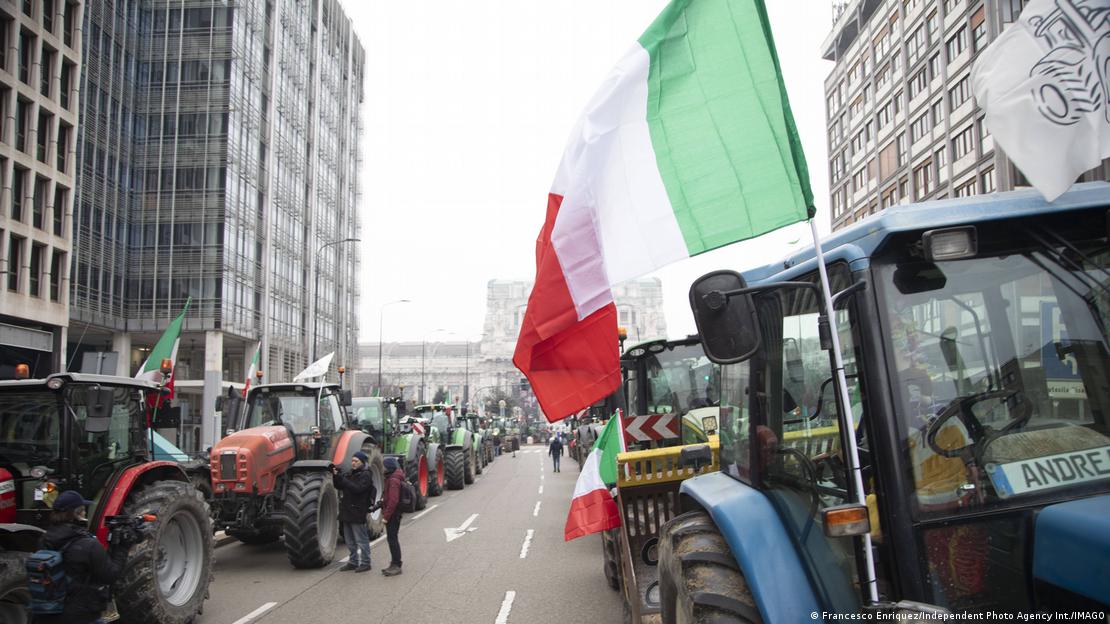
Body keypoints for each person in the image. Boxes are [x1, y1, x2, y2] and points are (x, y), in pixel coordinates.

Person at [38, 490, 137, 624]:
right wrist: (123, 548)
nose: (85, 514)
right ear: (77, 514)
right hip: (80, 615)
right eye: (83, 510)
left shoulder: (44, 539)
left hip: (48, 610)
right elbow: (110, 575)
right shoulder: (88, 545)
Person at [332, 451, 374, 572]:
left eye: (356, 461)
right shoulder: (351, 473)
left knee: (361, 539)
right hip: (347, 511)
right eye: (352, 461)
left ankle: (366, 562)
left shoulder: (366, 475)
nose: (353, 463)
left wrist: (343, 480)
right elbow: (340, 486)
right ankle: (353, 561)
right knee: (349, 540)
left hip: (357, 511)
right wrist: (336, 476)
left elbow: (357, 489)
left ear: (362, 462)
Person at [380, 457, 405, 577]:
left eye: (384, 466)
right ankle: (394, 563)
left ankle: (396, 565)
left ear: (389, 467)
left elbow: (393, 501)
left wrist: (386, 516)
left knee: (392, 539)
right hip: (393, 514)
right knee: (392, 539)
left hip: (393, 514)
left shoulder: (393, 480)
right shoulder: (391, 477)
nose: (382, 468)